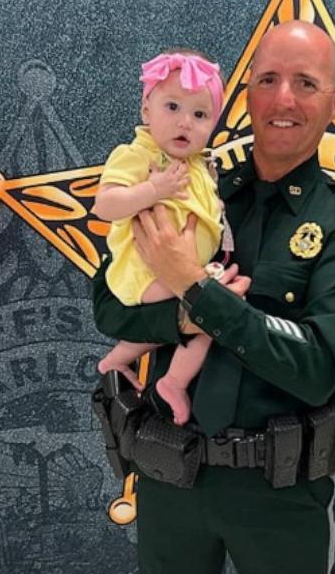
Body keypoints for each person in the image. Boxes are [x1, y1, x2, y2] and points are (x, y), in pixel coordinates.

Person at [92, 21, 335, 574]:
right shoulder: (193, 184)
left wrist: (196, 289)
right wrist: (190, 300)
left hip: (278, 491)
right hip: (173, 470)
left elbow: (317, 365)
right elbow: (109, 308)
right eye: (267, 80)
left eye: (306, 83)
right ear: (244, 96)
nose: (283, 99)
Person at [93, 50, 251, 424]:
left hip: (181, 270)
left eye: (199, 115)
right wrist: (152, 189)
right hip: (143, 272)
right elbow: (106, 205)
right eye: (172, 107)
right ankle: (174, 383)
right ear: (146, 110)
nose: (185, 122)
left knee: (209, 310)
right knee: (212, 309)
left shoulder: (200, 167)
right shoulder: (137, 156)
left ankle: (123, 359)